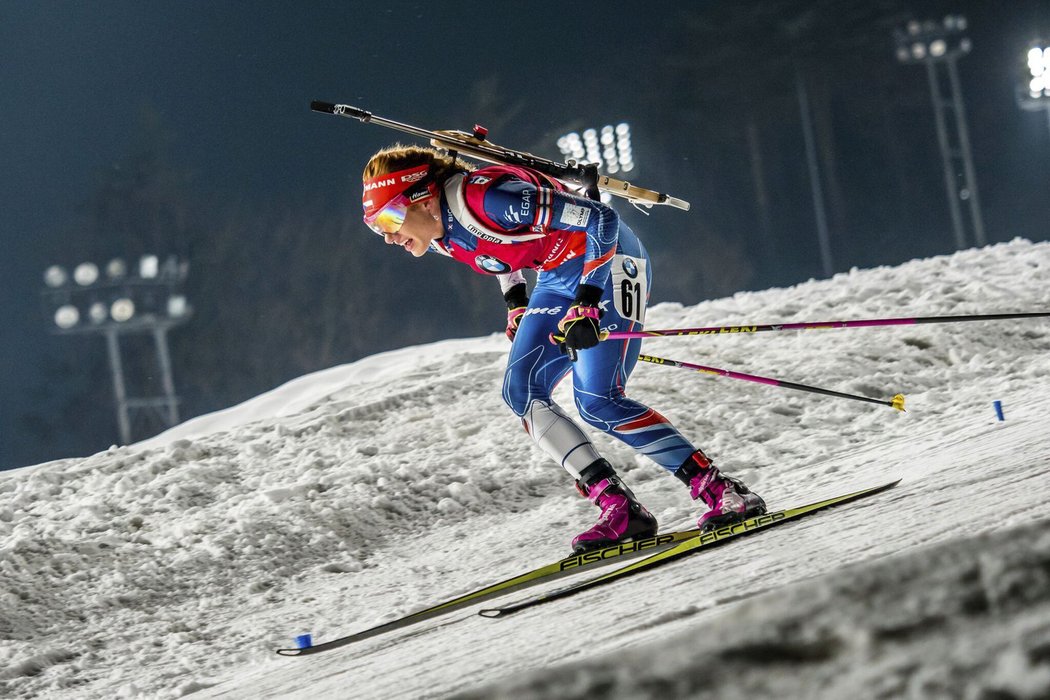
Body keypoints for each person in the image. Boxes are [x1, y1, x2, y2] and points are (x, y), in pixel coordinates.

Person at [361, 144, 765, 553]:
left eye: (390, 219)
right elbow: (497, 252)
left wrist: (587, 302)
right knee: (521, 392)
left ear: (423, 198)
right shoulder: (436, 234)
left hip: (606, 261)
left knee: (597, 400)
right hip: (555, 276)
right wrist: (517, 304)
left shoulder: (491, 198)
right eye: (376, 228)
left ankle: (721, 490)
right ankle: (620, 509)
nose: (389, 236)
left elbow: (601, 219)